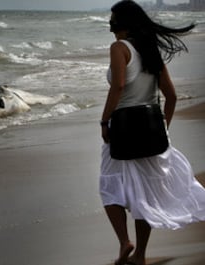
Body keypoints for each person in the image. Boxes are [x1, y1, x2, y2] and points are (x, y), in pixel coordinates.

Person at [99, 1, 205, 265]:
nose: (110, 27)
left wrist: (104, 121)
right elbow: (171, 96)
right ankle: (141, 256)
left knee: (109, 186)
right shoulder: (150, 52)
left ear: (122, 23)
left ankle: (125, 242)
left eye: (113, 21)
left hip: (122, 129)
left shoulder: (119, 48)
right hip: (151, 133)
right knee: (143, 194)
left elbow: (119, 85)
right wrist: (163, 130)